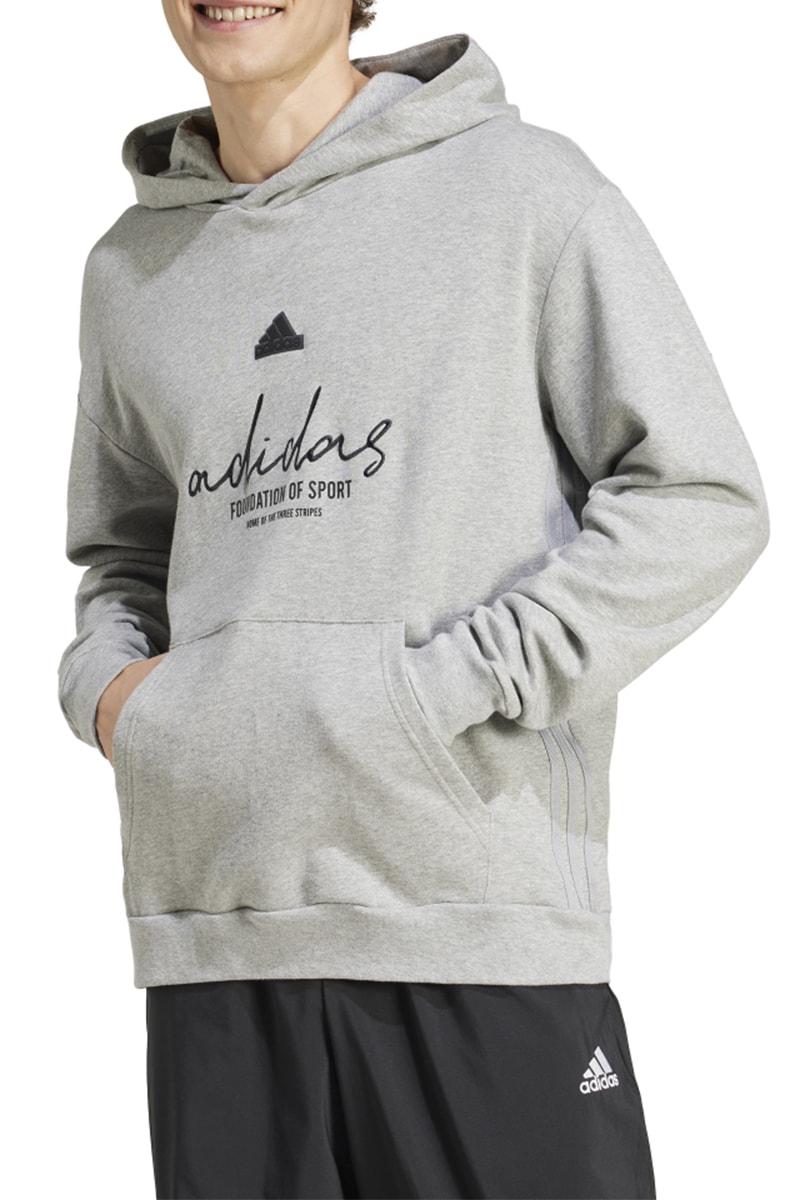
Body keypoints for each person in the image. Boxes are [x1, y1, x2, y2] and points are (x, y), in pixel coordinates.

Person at [57, 2, 769, 1197]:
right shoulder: (133, 268)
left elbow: (698, 496)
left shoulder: (523, 193)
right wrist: (114, 698)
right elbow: (125, 548)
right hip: (215, 934)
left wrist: (451, 686)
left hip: (474, 924)